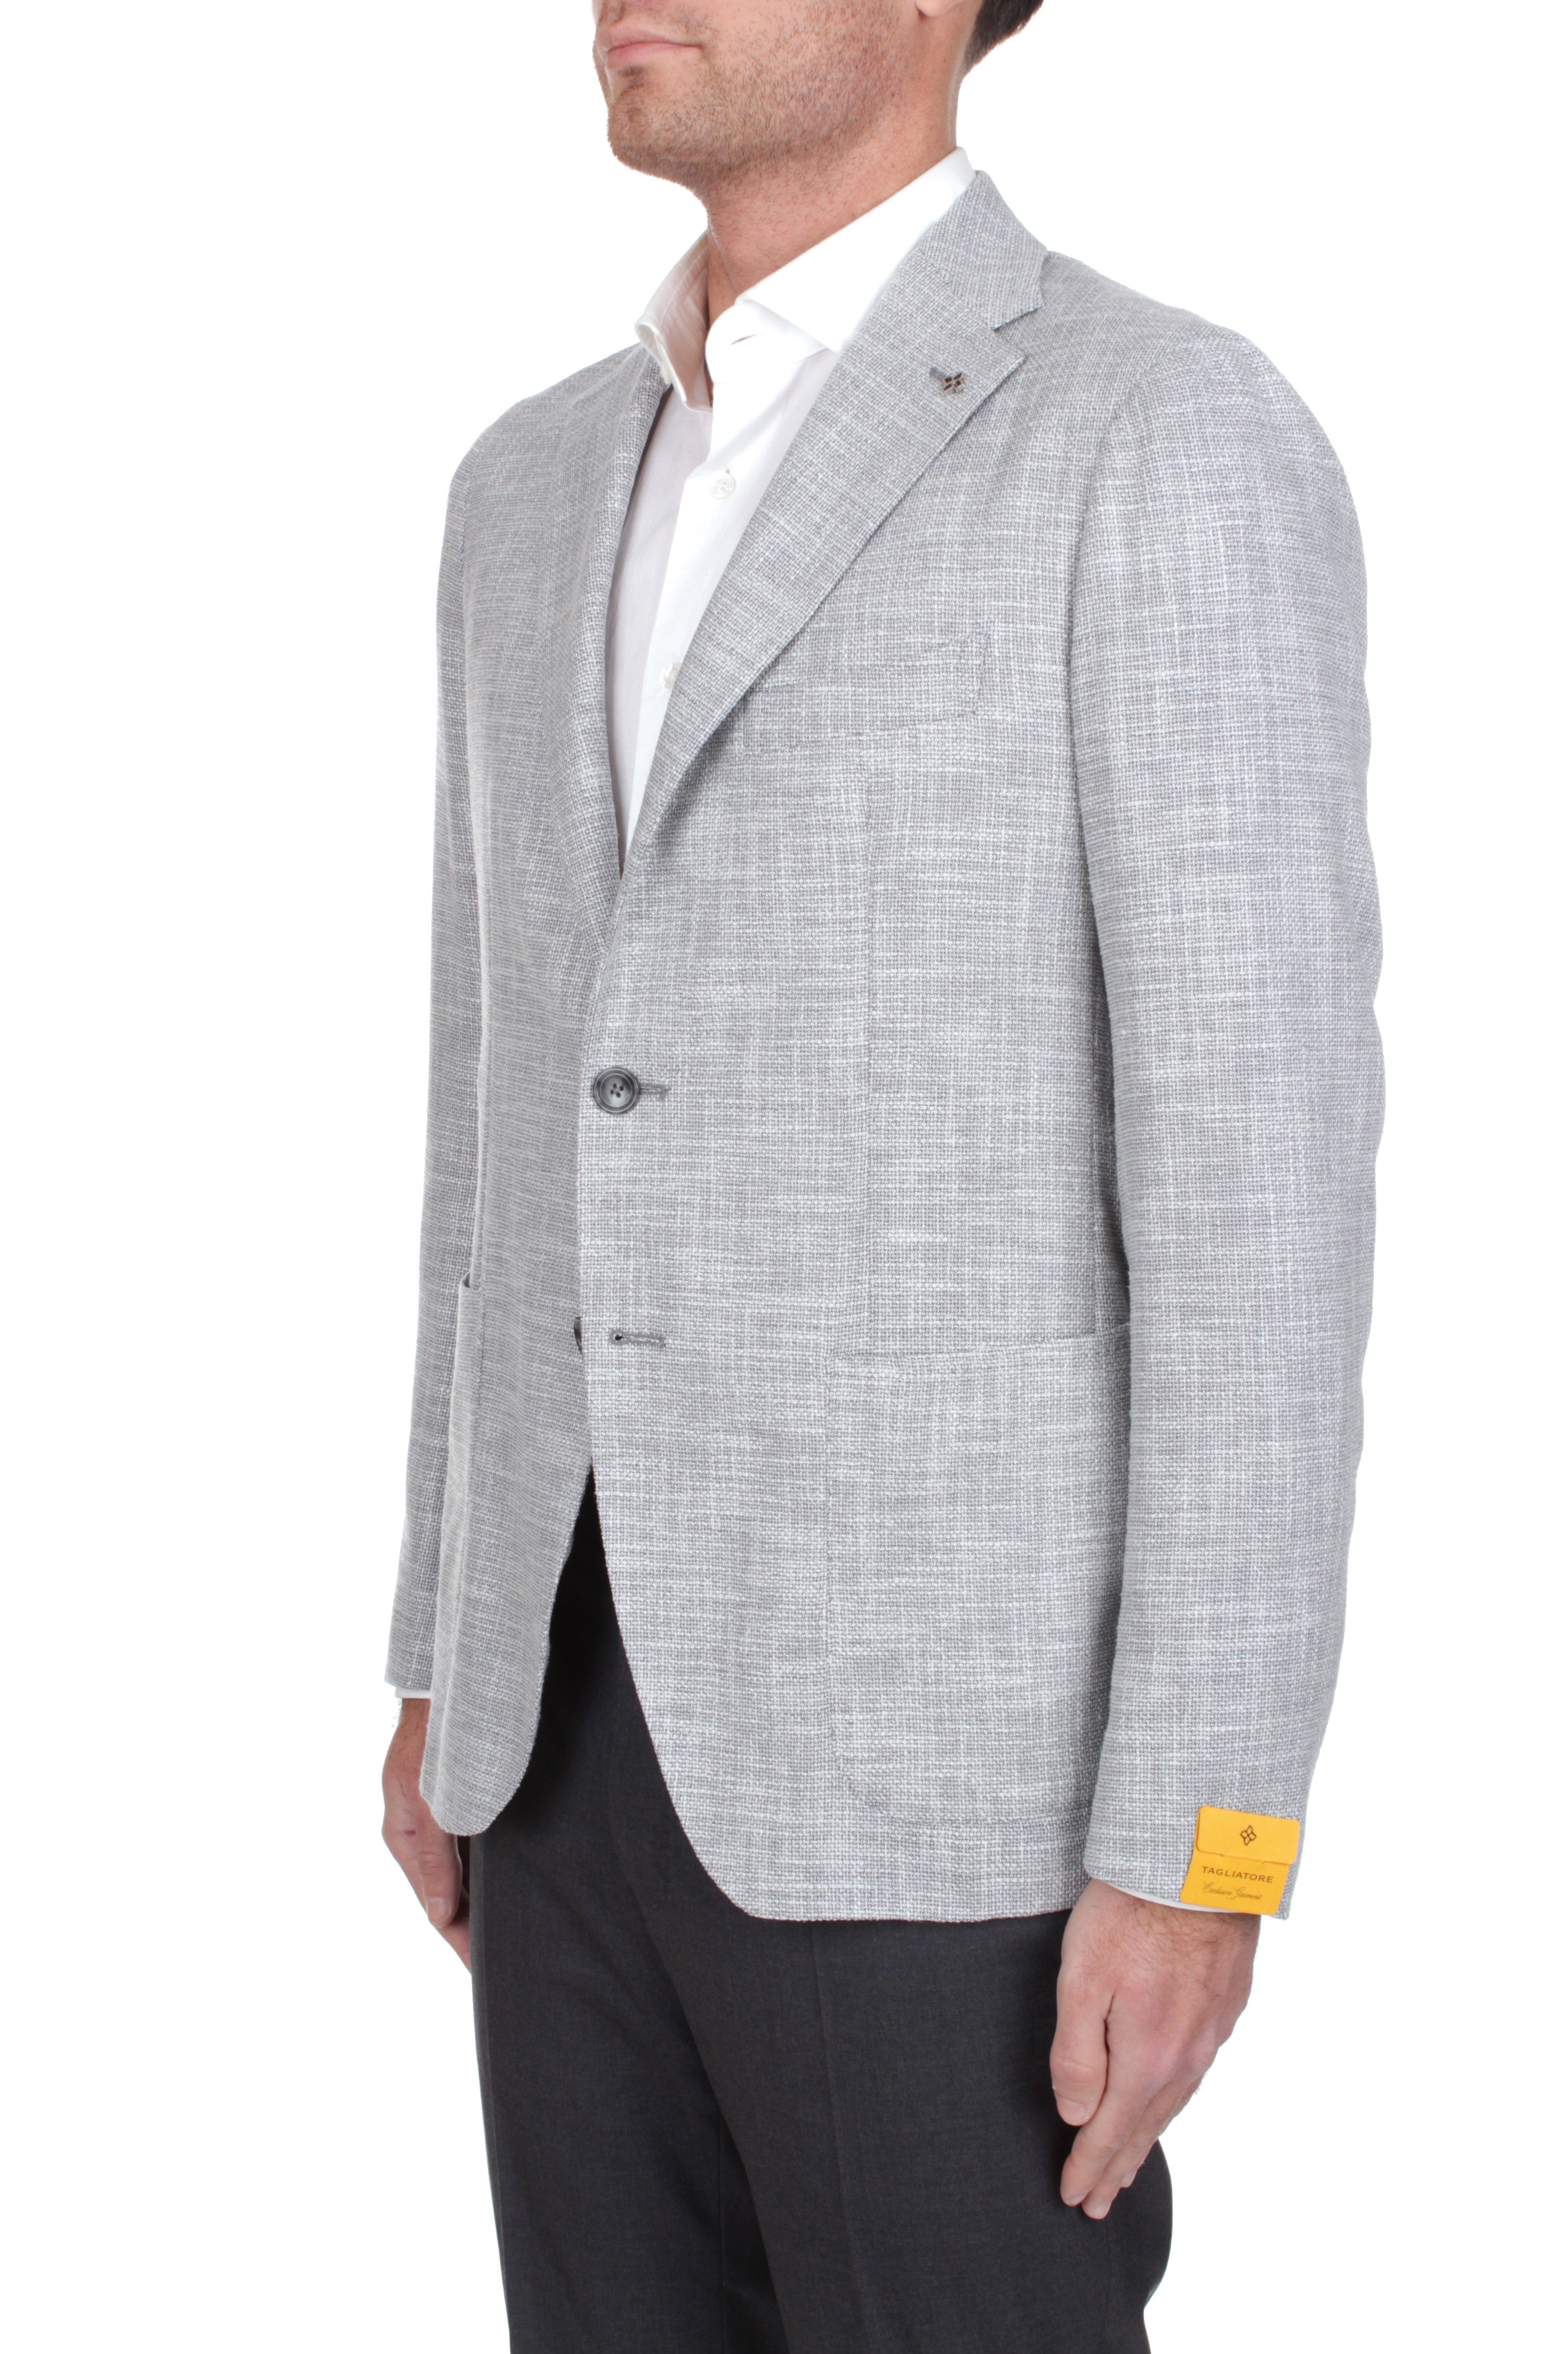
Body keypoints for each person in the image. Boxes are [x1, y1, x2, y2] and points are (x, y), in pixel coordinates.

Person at [381, 1, 1382, 2345]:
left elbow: (1260, 1198)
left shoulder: (1157, 433)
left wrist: (1204, 1843)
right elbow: (490, 1108)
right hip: (560, 1746)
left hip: (961, 1786)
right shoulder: (529, 484)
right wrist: (442, 1641)